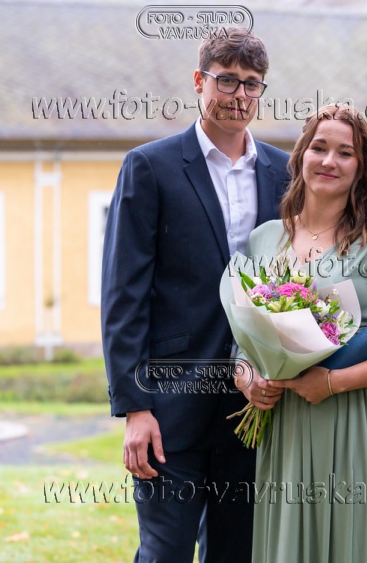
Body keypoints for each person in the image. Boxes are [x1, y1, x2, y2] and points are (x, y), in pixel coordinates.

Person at [101, 28, 290, 563]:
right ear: (198, 81)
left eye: (251, 84)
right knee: (165, 553)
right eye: (226, 80)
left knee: (238, 554)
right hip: (169, 405)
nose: (239, 95)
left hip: (253, 408)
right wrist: (135, 407)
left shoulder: (283, 172)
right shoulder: (150, 167)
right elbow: (123, 295)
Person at [234, 104, 367, 563]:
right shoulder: (263, 238)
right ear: (301, 155)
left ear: (361, 169)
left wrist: (334, 382)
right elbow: (244, 338)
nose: (329, 161)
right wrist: (247, 378)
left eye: (345, 153)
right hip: (287, 422)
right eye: (319, 148)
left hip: (362, 418)